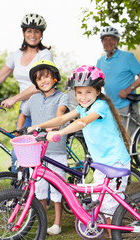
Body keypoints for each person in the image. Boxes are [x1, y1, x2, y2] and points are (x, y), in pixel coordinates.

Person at [28, 65, 131, 238]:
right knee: (102, 205)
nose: (83, 97)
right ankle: (109, 233)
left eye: (88, 92)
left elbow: (82, 123)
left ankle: (115, 234)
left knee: (110, 207)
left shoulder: (100, 106)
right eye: (79, 93)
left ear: (98, 91)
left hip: (115, 162)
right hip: (101, 163)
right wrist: (38, 126)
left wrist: (59, 133)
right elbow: (61, 118)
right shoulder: (84, 107)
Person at [0, 13, 53, 172]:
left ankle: (37, 193)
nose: (32, 35)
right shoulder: (16, 55)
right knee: (21, 152)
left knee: (34, 154)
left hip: (42, 107)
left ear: (41, 34)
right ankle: (21, 192)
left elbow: (40, 85)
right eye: (29, 31)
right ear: (23, 33)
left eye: (36, 31)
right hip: (25, 110)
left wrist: (15, 98)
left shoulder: (44, 55)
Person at [17, 60, 69, 236]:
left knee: (57, 189)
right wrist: (19, 130)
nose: (43, 81)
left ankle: (57, 223)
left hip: (56, 149)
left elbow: (61, 112)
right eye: (39, 79)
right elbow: (23, 113)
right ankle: (42, 221)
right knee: (39, 188)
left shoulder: (63, 97)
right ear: (35, 82)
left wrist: (54, 127)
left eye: (46, 76)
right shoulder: (33, 98)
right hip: (36, 151)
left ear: (54, 78)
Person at [96, 26, 140, 135]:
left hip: (126, 105)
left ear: (117, 41)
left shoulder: (127, 56)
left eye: (111, 39)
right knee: (113, 138)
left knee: (128, 139)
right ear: (102, 42)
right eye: (105, 39)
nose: (108, 42)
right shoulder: (100, 61)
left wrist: (129, 90)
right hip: (109, 105)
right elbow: (95, 82)